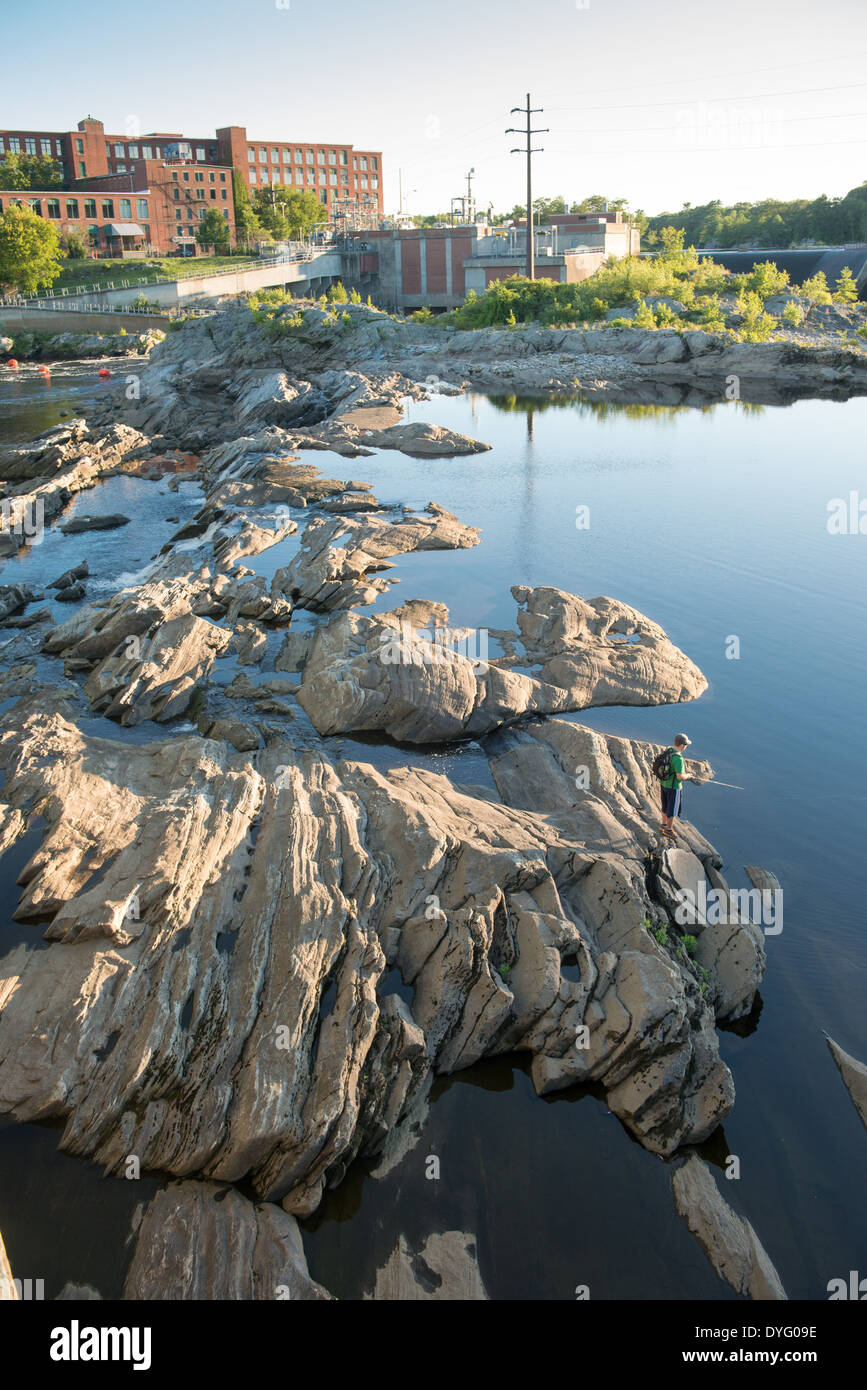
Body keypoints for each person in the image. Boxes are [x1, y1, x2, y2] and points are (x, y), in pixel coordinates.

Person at [660, 734, 691, 839]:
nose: (686, 747)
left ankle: (663, 825)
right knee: (672, 809)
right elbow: (679, 777)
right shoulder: (678, 758)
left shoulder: (668, 751)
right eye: (686, 745)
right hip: (674, 787)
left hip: (663, 784)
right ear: (682, 745)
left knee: (664, 805)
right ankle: (668, 830)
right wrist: (688, 776)